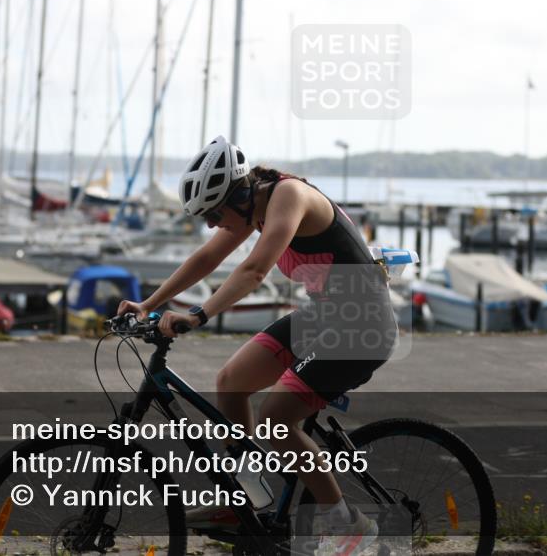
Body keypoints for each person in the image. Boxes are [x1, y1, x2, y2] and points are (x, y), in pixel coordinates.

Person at [118, 136, 397, 554]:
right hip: (326, 316)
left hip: (362, 326)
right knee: (231, 381)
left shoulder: (289, 196)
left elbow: (254, 271)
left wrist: (198, 315)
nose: (211, 224)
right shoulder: (254, 206)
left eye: (214, 213)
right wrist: (148, 304)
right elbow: (205, 259)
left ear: (239, 195)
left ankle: (348, 525)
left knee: (276, 420)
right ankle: (247, 496)